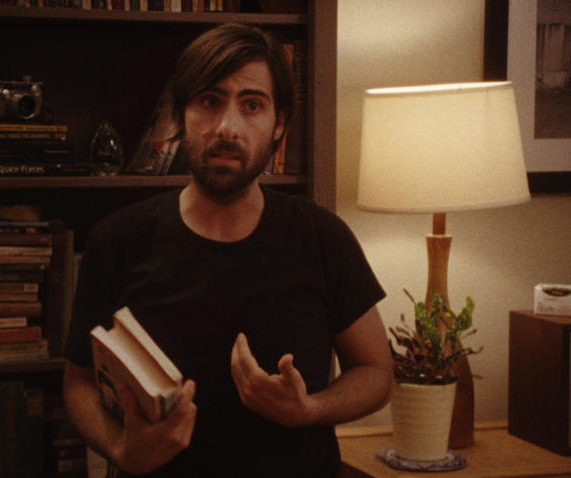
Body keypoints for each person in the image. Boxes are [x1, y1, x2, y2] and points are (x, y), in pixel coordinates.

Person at [63, 22, 393, 478]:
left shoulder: (323, 237)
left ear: (280, 124)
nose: (227, 128)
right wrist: (122, 448)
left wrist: (309, 410)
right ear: (181, 116)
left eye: (252, 105)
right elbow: (79, 382)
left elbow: (376, 372)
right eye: (209, 101)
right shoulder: (117, 240)